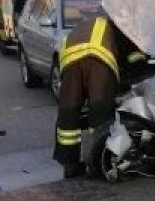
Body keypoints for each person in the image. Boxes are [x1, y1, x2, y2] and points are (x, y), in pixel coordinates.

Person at [53, 15, 147, 179]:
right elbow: (134, 58)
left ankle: (69, 165)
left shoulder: (93, 22)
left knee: (69, 111)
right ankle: (97, 163)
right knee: (100, 112)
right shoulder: (123, 26)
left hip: (69, 59)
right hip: (98, 59)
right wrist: (140, 73)